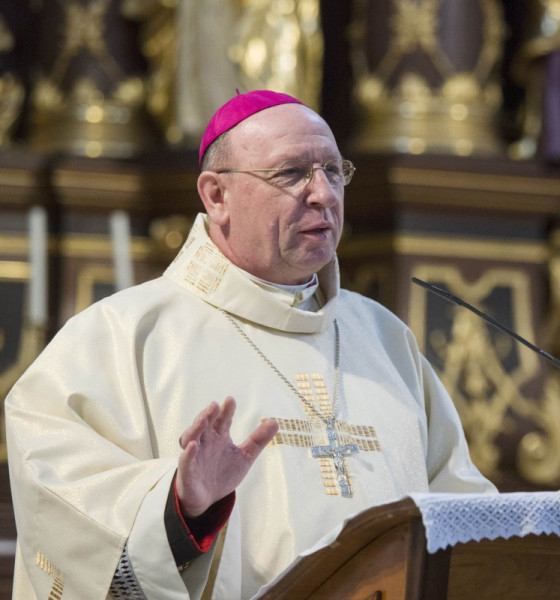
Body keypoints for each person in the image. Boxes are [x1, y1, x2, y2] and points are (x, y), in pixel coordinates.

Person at [5, 90, 496, 600]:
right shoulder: (120, 335)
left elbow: (464, 514)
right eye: (291, 173)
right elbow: (60, 502)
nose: (323, 194)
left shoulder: (384, 339)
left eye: (333, 170)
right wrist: (181, 507)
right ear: (217, 195)